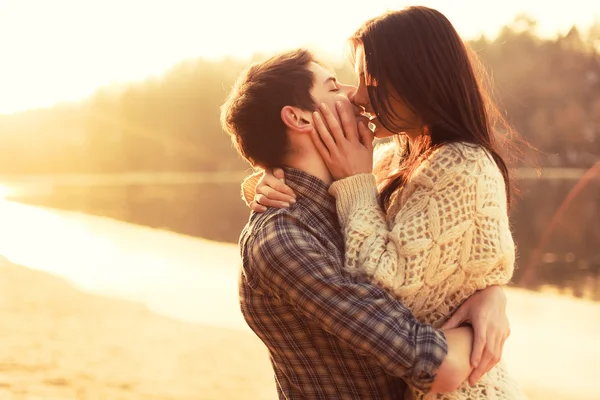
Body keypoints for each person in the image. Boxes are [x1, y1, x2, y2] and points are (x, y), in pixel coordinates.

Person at [242, 6, 526, 400]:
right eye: (337, 84)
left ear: (414, 80)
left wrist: (490, 294)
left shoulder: (461, 165)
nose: (356, 96)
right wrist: (265, 179)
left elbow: (390, 292)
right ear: (299, 117)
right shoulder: (391, 160)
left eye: (367, 80)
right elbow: (381, 301)